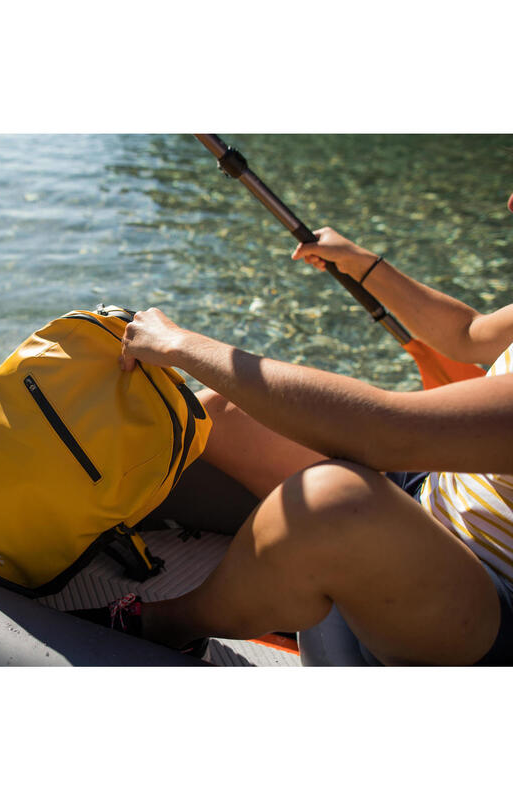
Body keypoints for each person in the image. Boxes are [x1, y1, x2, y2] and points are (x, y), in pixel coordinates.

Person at [77, 190, 513, 666]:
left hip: (494, 604)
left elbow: (385, 433)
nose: (510, 202)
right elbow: (468, 334)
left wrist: (182, 346)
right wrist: (361, 262)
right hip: (432, 494)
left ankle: (168, 625)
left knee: (331, 502)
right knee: (225, 415)